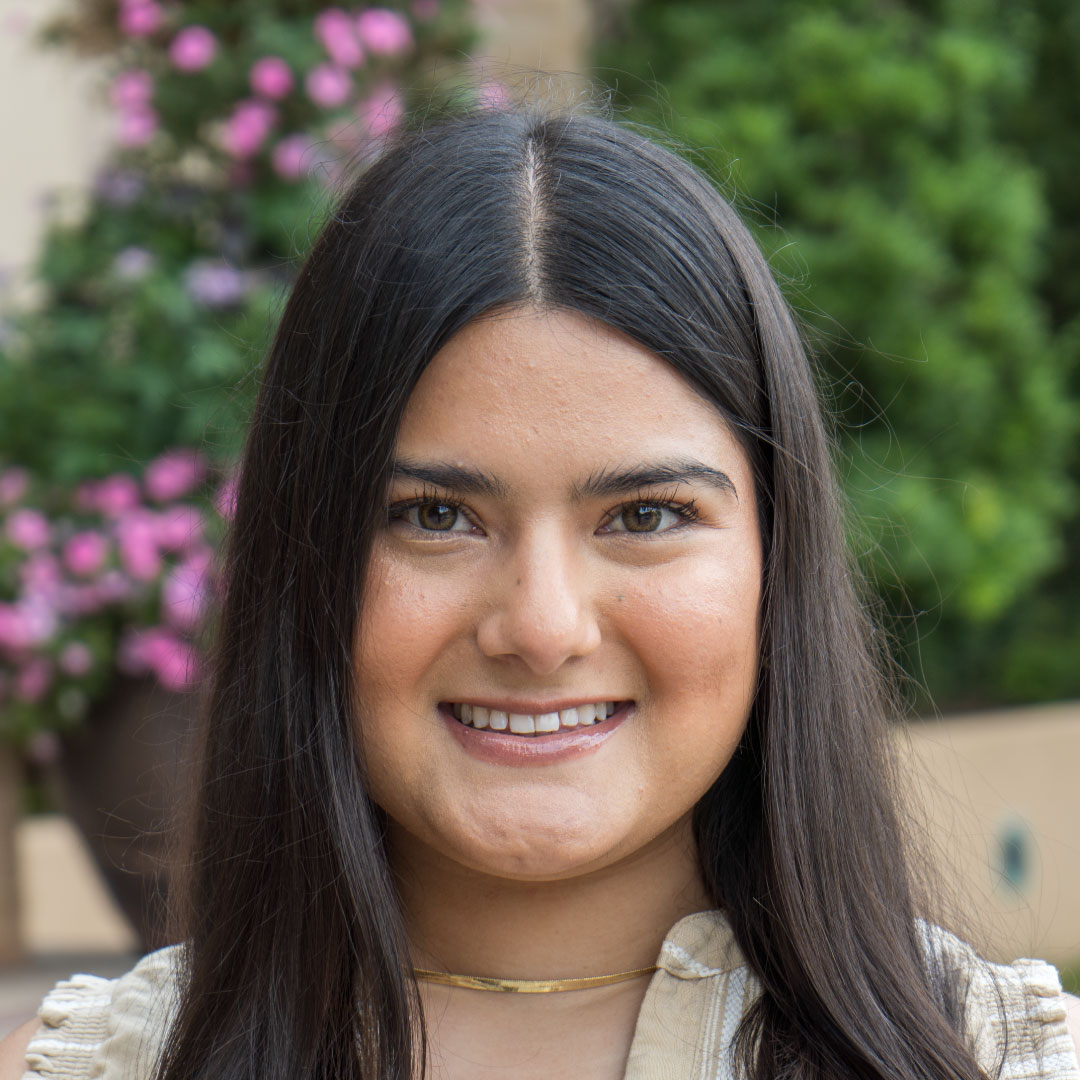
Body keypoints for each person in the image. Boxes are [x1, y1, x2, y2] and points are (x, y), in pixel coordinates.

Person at [2, 103, 1079, 1080]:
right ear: (305, 563)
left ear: (773, 566)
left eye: (645, 516)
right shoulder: (105, 1069)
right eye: (434, 516)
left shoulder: (999, 1062)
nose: (543, 626)